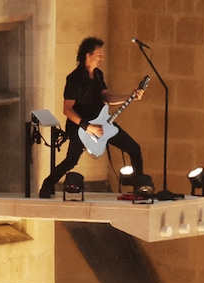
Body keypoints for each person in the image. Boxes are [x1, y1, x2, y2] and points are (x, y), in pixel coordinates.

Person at [39, 37, 145, 199]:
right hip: (80, 126)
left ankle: (140, 189)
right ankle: (47, 185)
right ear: (88, 55)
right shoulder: (74, 78)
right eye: (99, 54)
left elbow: (106, 96)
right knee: (71, 160)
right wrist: (88, 127)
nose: (102, 58)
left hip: (102, 122)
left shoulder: (98, 75)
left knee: (133, 148)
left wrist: (130, 96)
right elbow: (67, 109)